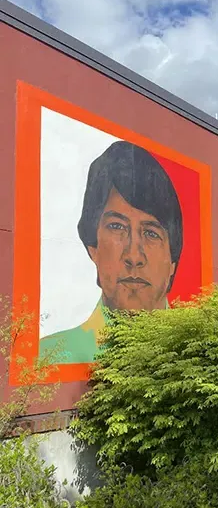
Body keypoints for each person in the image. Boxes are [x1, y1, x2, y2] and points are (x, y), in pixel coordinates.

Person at [40, 141, 183, 364]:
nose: (134, 256)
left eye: (151, 233)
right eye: (117, 227)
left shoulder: (195, 351)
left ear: (172, 260)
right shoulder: (49, 357)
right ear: (92, 247)